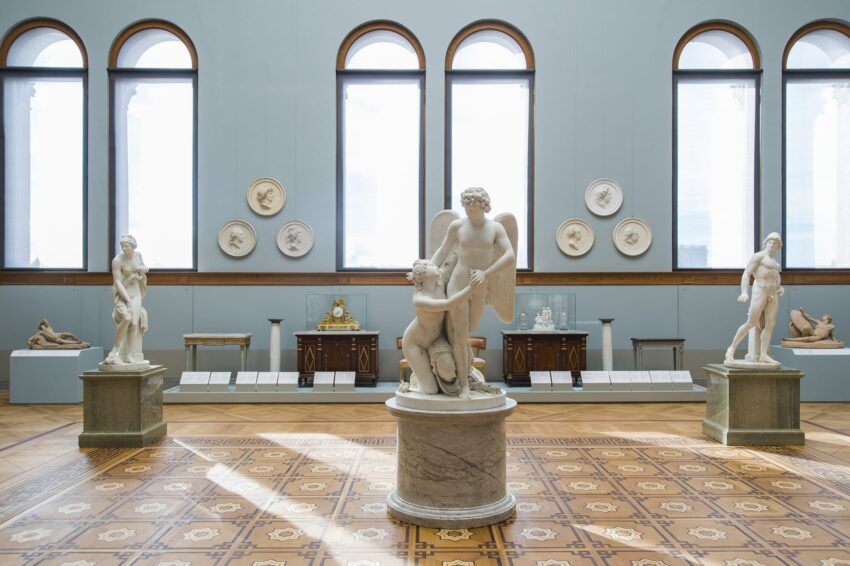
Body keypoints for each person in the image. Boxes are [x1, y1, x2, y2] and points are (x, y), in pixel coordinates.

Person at [430, 187, 516, 398]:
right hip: (458, 284)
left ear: (483, 206)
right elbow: (441, 252)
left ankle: (464, 371)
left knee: (471, 327)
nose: (469, 212)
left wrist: (486, 274)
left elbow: (510, 256)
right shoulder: (457, 225)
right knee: (460, 336)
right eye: (466, 207)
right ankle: (463, 385)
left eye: (473, 208)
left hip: (479, 285)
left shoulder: (495, 228)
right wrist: (425, 271)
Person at [400, 259, 477, 395]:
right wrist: (472, 287)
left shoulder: (439, 282)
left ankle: (426, 376)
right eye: (430, 265)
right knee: (430, 390)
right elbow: (448, 304)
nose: (434, 264)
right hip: (415, 344)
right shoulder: (420, 299)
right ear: (422, 275)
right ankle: (413, 383)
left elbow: (443, 251)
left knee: (450, 367)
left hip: (436, 338)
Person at [725, 232, 784, 365]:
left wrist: (780, 287)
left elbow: (776, 276)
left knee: (770, 325)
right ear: (766, 243)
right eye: (770, 241)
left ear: (778, 246)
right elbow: (746, 274)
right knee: (751, 322)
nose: (772, 244)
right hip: (760, 291)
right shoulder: (759, 256)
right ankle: (731, 349)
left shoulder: (774, 262)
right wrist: (744, 292)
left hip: (772, 293)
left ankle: (763, 355)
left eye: (775, 242)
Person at [102, 235, 149, 367]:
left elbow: (144, 268)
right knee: (127, 318)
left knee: (134, 323)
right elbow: (117, 282)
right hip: (122, 295)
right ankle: (115, 350)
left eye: (126, 245)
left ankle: (129, 354)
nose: (124, 248)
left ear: (133, 246)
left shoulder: (138, 255)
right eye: (122, 245)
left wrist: (145, 269)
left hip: (136, 294)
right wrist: (127, 300)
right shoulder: (117, 260)